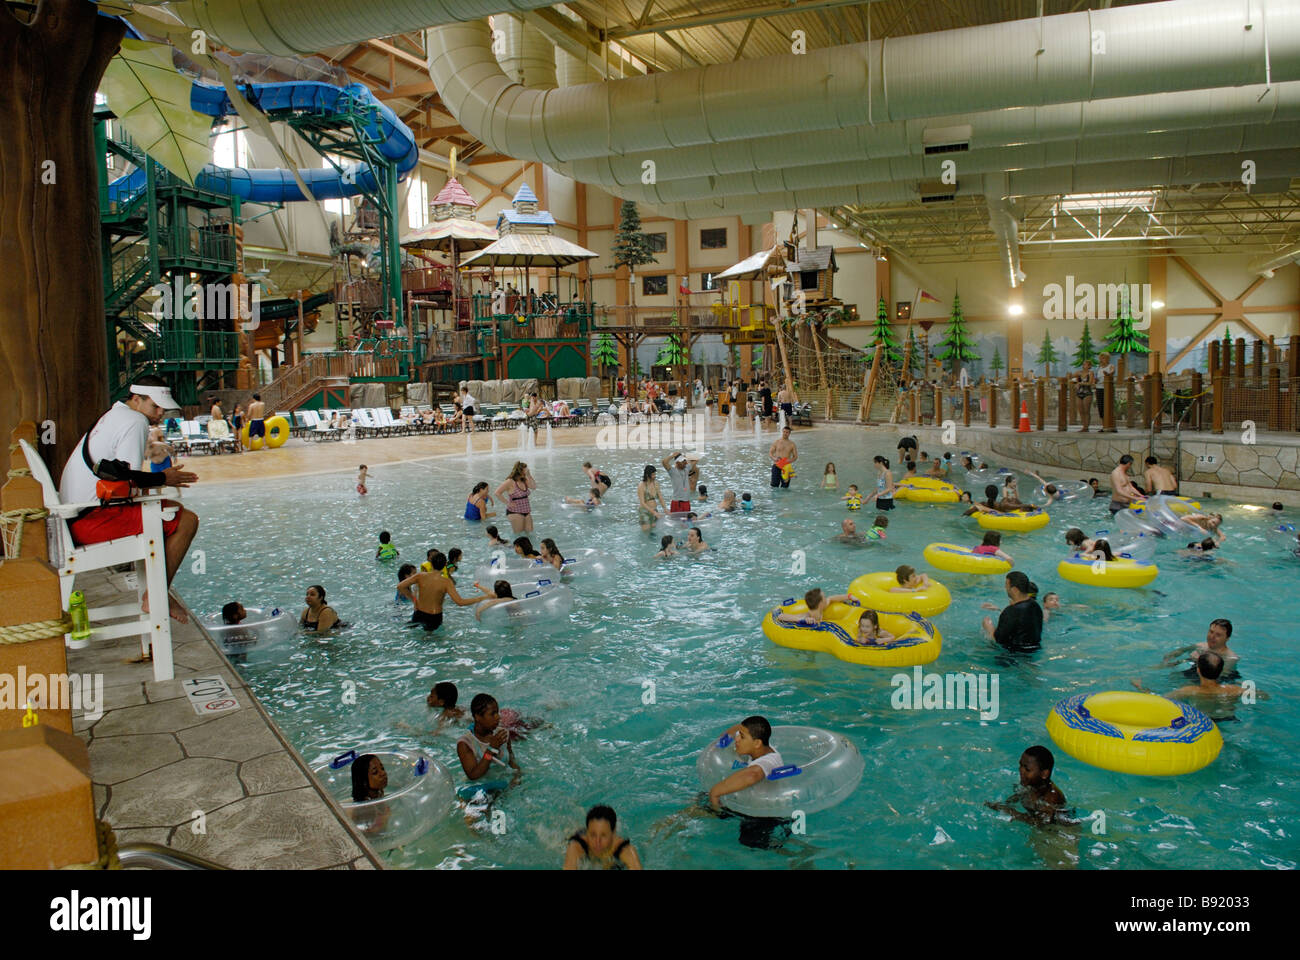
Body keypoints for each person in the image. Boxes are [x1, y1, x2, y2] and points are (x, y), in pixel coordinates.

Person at [58, 377, 200, 625]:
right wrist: (163, 477)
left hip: (72, 517)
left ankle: (156, 590)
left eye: (162, 408)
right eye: (155, 406)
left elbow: (119, 476)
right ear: (137, 399)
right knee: (187, 520)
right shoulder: (135, 421)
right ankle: (157, 595)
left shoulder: (113, 416)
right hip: (89, 522)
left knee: (172, 512)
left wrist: (159, 481)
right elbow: (126, 483)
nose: (160, 413)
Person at [396, 554, 491, 632]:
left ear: (431, 564)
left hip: (419, 614)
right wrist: (482, 598)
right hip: (434, 617)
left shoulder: (420, 576)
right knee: (430, 641)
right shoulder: (446, 582)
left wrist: (414, 600)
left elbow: (400, 586)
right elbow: (460, 602)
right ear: (445, 565)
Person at [1134, 651, 1267, 706]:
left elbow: (1159, 701)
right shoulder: (1234, 690)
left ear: (1198, 670)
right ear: (1220, 672)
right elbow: (1264, 696)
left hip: (1202, 724)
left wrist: (1139, 687)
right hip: (1228, 719)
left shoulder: (1188, 691)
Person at [707, 716, 782, 810]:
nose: (737, 739)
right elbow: (737, 728)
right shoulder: (761, 745)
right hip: (749, 798)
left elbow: (753, 775)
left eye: (742, 737)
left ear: (757, 743)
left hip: (760, 813)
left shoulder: (768, 762)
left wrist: (715, 792)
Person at [985, 746, 1069, 826]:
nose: (1021, 771)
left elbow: (1042, 823)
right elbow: (1020, 795)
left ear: (1044, 774)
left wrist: (1013, 813)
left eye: (1027, 769)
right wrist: (1003, 805)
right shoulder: (1032, 784)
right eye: (1020, 765)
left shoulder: (1051, 798)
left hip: (1058, 833)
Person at [457, 693, 519, 782]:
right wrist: (490, 750)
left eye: (497, 712)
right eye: (492, 714)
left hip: (504, 784)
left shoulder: (503, 734)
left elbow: (511, 761)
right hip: (480, 789)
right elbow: (473, 775)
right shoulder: (465, 743)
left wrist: (517, 777)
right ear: (477, 717)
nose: (498, 717)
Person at [564, 805, 643, 870]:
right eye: (593, 835)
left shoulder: (624, 850)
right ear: (587, 833)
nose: (597, 842)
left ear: (613, 833)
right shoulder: (577, 846)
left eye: (603, 835)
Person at [981, 571, 1043, 652]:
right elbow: (1021, 620)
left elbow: (998, 641)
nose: (1005, 588)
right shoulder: (1035, 606)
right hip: (1034, 651)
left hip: (1012, 657)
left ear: (1015, 590)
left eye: (1006, 586)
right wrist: (1000, 609)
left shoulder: (1010, 612)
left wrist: (988, 626)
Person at [1161, 618, 1239, 674]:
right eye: (1211, 632)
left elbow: (1217, 677)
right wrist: (1168, 658)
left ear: (1227, 638)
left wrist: (1199, 661)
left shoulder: (1230, 658)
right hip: (1196, 670)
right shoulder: (1201, 646)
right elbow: (1181, 651)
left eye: (1218, 635)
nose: (1212, 637)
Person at [496, 461, 536, 534]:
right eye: (526, 471)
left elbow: (534, 487)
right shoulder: (510, 482)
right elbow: (497, 493)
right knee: (519, 536)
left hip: (527, 511)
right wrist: (508, 503)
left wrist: (529, 476)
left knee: (530, 534)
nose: (527, 472)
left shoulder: (524, 480)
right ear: (520, 471)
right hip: (515, 512)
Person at [1075, 359, 1096, 432]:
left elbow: (1090, 383)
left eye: (1086, 364)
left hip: (1087, 392)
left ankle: (1086, 426)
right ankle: (1083, 426)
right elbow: (1075, 380)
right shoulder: (1079, 373)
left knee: (1086, 410)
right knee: (1081, 410)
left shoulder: (1090, 373)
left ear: (1089, 366)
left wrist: (1081, 383)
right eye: (1083, 364)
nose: (1084, 366)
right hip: (1079, 392)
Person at [1095, 352, 1115, 421]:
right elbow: (1096, 378)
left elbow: (1112, 372)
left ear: (1107, 359)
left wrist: (1108, 374)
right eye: (1101, 358)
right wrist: (1095, 380)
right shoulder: (1098, 368)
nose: (1101, 360)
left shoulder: (1111, 366)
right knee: (1101, 408)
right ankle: (1104, 425)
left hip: (1107, 389)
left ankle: (1110, 424)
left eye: (1103, 358)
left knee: (1108, 406)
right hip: (1099, 388)